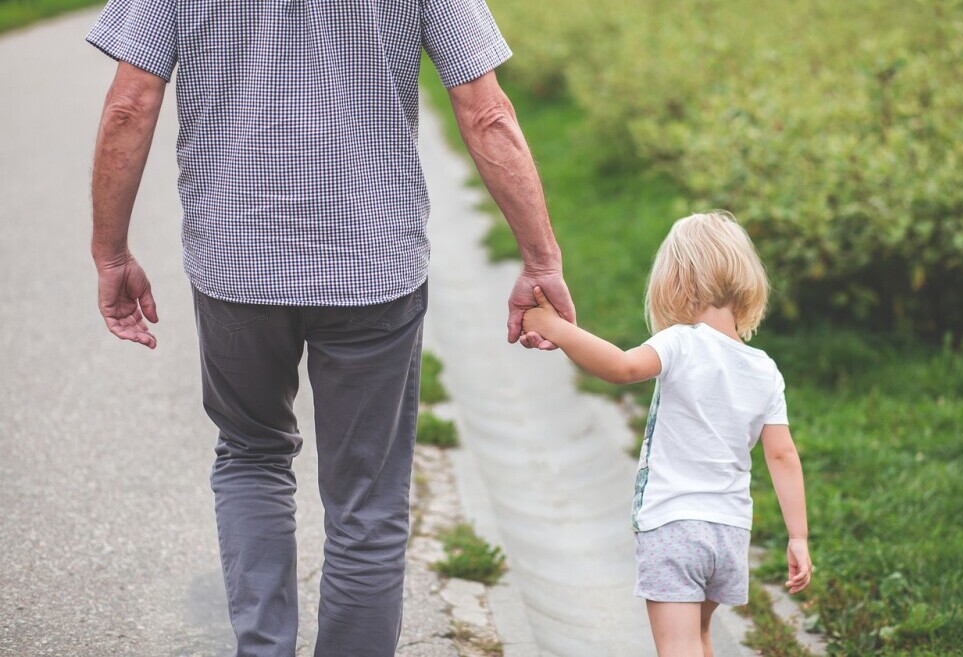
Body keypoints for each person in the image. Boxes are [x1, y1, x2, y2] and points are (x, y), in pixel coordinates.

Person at [86, 0, 574, 655]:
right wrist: (540, 257)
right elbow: (485, 111)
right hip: (372, 267)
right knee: (366, 503)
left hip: (238, 263)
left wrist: (111, 252)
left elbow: (129, 103)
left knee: (252, 455)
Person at [523, 211, 811, 657]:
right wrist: (799, 537)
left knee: (678, 647)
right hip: (730, 532)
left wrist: (558, 328)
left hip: (675, 525)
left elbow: (620, 367)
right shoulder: (765, 370)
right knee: (698, 638)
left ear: (675, 283)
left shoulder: (681, 341)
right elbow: (783, 457)